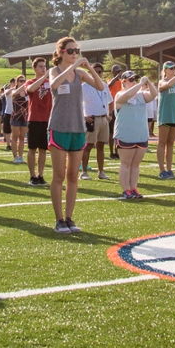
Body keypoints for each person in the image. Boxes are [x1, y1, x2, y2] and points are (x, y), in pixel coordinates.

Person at [43, 37, 107, 233]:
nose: (74, 54)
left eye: (76, 50)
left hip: (78, 128)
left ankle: (70, 218)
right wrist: (74, 67)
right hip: (59, 127)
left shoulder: (80, 73)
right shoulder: (55, 71)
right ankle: (59, 219)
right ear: (61, 51)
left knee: (73, 176)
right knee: (59, 176)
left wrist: (89, 69)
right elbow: (54, 85)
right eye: (71, 50)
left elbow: (101, 87)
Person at [112, 71, 157, 198]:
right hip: (126, 134)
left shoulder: (141, 95)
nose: (134, 82)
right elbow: (126, 95)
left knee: (136, 164)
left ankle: (133, 188)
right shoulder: (120, 94)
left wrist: (148, 82)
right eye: (131, 80)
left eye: (135, 80)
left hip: (140, 134)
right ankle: (125, 189)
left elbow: (154, 94)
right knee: (126, 164)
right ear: (124, 82)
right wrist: (141, 84)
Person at [23, 58, 53, 185]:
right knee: (32, 148)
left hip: (47, 119)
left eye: (44, 66)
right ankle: (32, 175)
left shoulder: (50, 82)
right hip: (34, 119)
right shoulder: (30, 81)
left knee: (43, 149)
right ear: (34, 68)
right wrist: (44, 77)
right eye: (40, 66)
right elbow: (31, 89)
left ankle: (41, 175)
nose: (43, 68)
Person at [83, 63, 114, 180]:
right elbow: (77, 102)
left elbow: (110, 101)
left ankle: (101, 171)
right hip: (92, 119)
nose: (97, 73)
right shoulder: (85, 86)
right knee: (89, 146)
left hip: (103, 118)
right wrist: (84, 116)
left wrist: (110, 114)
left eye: (99, 71)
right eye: (94, 71)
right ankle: (84, 172)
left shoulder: (104, 86)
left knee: (101, 146)